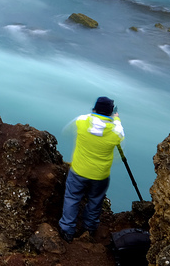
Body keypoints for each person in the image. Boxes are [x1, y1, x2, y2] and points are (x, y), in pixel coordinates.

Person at [58, 96, 124, 243]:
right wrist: (116, 119)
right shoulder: (116, 131)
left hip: (79, 171)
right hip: (100, 175)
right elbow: (120, 152)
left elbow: (66, 131)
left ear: (94, 109)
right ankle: (89, 229)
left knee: (72, 198)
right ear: (111, 112)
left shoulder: (82, 121)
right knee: (95, 200)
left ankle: (67, 230)